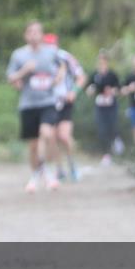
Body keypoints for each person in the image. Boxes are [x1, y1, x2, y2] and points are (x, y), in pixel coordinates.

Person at [6, 22, 65, 193]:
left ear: (42, 34)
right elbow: (10, 78)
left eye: (37, 32)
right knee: (33, 145)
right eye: (30, 32)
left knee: (46, 134)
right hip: (28, 104)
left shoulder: (51, 52)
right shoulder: (18, 55)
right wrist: (23, 71)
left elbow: (63, 65)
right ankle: (35, 175)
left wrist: (58, 78)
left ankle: (47, 172)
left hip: (47, 102)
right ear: (26, 35)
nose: (34, 35)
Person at [47, 34, 86, 182]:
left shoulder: (66, 57)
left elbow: (81, 77)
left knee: (63, 136)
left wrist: (73, 92)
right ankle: (59, 169)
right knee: (51, 137)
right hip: (48, 103)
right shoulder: (40, 59)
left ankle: (72, 164)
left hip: (65, 102)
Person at [85, 51, 120, 166]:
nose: (101, 64)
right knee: (102, 130)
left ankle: (116, 142)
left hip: (111, 106)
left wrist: (112, 91)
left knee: (112, 127)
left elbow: (119, 89)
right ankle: (106, 154)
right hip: (100, 106)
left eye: (103, 61)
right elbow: (88, 89)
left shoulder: (112, 75)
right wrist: (91, 90)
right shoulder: (95, 75)